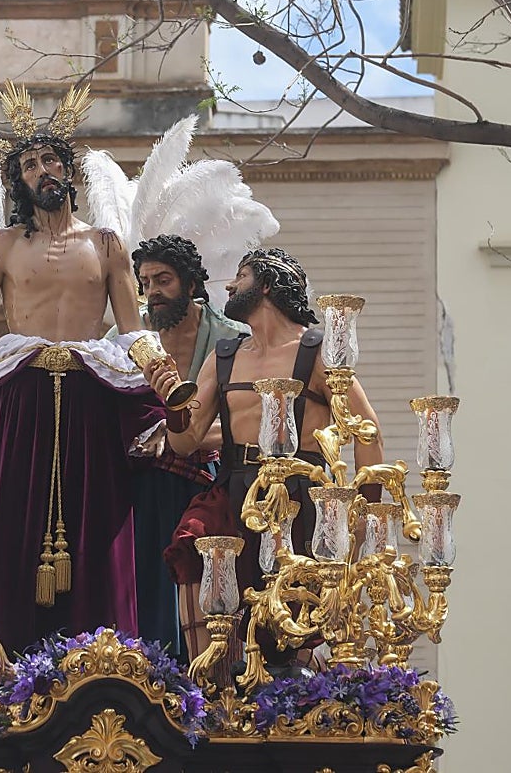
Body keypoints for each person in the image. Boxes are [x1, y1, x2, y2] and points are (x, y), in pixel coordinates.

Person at [0, 84, 164, 658]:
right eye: (30, 164)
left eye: (51, 159)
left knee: (98, 529)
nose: (43, 170)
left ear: (69, 169)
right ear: (18, 181)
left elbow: (133, 331)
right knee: (5, 527)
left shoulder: (107, 245)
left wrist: (163, 386)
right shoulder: (4, 246)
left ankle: (99, 663)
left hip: (90, 398)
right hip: (17, 400)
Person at [145, 247, 384, 669]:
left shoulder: (316, 353)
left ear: (268, 286)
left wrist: (361, 511)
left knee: (291, 614)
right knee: (193, 540)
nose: (231, 285)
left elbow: (367, 431)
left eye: (241, 276)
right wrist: (173, 403)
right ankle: (209, 679)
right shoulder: (225, 355)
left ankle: (294, 691)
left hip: (300, 491)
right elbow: (186, 443)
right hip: (234, 486)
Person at [106, 235, 246, 659]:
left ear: (190, 283)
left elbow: (245, 418)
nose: (152, 292)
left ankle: (208, 675)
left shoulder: (232, 338)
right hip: (143, 485)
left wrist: (185, 436)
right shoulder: (126, 337)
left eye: (163, 280)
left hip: (210, 482)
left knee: (209, 589)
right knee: (147, 584)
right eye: (145, 282)